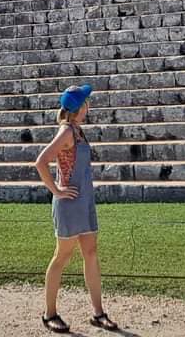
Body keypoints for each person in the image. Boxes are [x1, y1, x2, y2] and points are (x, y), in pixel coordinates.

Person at [34, 83, 119, 333]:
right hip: (70, 204)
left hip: (84, 201)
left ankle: (98, 312)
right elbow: (41, 162)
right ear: (80, 107)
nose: (88, 104)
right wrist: (57, 191)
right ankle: (49, 313)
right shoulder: (67, 131)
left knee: (91, 254)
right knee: (62, 257)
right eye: (86, 101)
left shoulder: (78, 130)